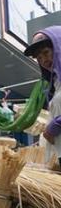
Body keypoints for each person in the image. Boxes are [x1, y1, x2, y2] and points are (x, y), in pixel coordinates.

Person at [23, 26, 61, 166]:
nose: (44, 60)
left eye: (46, 52)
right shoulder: (56, 84)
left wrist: (54, 126)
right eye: (39, 58)